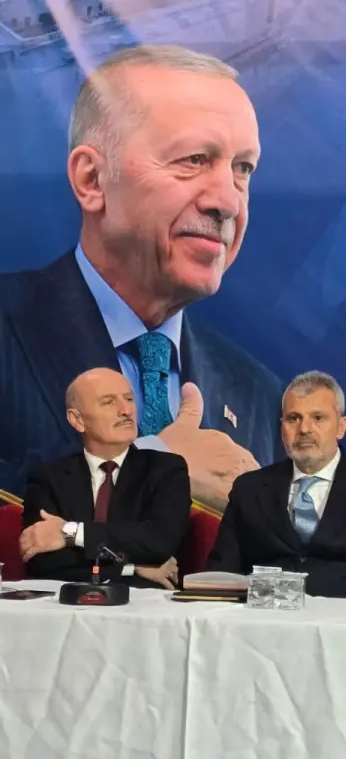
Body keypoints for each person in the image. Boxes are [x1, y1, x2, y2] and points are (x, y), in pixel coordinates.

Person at [0, 44, 283, 509]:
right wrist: (156, 469)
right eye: (194, 159)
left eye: (242, 169)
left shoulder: (259, 395)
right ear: (92, 180)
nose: (228, 202)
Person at [206, 371, 346, 599]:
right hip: (261, 615)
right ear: (282, 427)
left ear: (341, 427)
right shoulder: (248, 489)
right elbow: (222, 575)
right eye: (293, 418)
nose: (304, 429)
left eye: (318, 418)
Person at [19, 367, 190, 588]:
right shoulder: (48, 478)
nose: (126, 410)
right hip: (66, 601)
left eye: (129, 399)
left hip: (141, 602)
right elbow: (42, 561)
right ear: (77, 420)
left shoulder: (166, 469)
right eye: (109, 402)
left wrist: (69, 533)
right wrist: (131, 568)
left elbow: (158, 541)